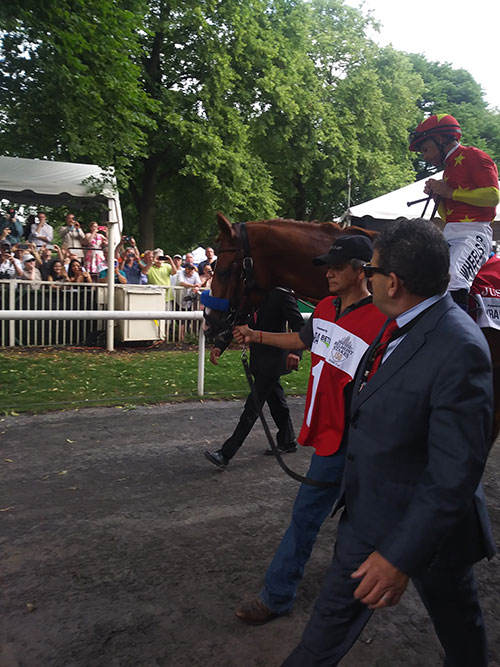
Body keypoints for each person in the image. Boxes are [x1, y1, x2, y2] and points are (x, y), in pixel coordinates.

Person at [281, 218, 495, 667]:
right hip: (365, 519)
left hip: (430, 536)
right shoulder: (395, 321)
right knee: (320, 639)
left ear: (393, 282)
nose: (368, 279)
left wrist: (399, 556)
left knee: (461, 636)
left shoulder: (460, 347)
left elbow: (454, 471)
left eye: (372, 272)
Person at [232, 236, 386, 625]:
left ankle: (366, 587)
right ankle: (278, 595)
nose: (328, 273)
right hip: (330, 439)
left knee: (365, 522)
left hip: (365, 443)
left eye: (336, 267)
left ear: (360, 269)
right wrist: (257, 336)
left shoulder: (384, 318)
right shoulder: (324, 307)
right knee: (305, 516)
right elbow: (303, 340)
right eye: (326, 266)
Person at [204, 287, 304, 469]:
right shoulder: (247, 296)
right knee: (277, 402)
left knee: (252, 407)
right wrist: (220, 345)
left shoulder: (281, 295)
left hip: (274, 362)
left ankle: (226, 453)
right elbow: (235, 324)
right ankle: (287, 441)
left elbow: (299, 326)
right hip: (258, 361)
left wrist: (296, 352)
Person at [409, 113, 499, 309]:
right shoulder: (447, 170)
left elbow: (493, 196)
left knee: (454, 278)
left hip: (475, 234)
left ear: (440, 139)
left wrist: (449, 191)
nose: (424, 156)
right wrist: (438, 196)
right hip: (450, 234)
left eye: (425, 149)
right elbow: (448, 216)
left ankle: (459, 336)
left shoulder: (475, 156)